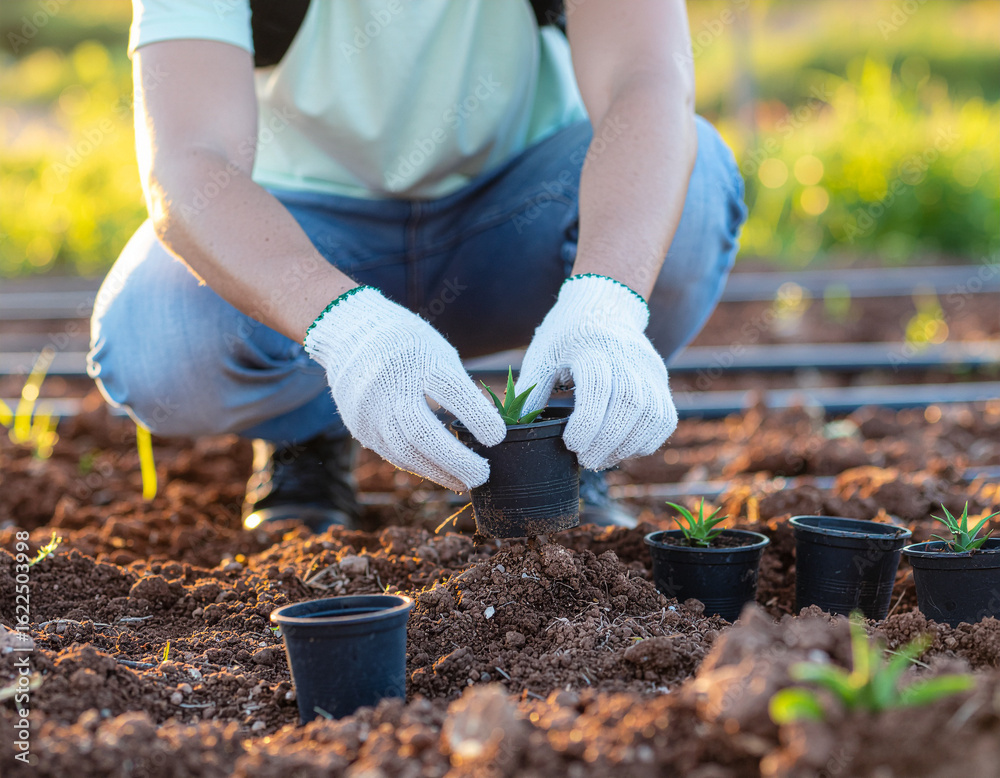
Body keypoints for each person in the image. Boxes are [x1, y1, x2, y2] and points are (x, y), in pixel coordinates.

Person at [88, 0, 747, 534]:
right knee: (158, 339)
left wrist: (607, 298)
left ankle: (570, 435)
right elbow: (189, 164)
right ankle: (309, 434)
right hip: (304, 230)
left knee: (692, 188)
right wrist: (348, 327)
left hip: (518, 206)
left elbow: (647, 81)